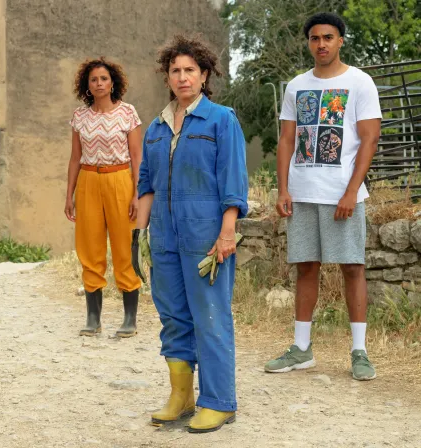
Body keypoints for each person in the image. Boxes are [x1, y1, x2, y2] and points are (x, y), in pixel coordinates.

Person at [135, 35, 248, 433]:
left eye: (190, 70)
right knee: (173, 317)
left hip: (206, 238)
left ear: (204, 76)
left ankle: (219, 402)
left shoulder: (221, 120)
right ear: (167, 77)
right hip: (164, 239)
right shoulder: (156, 127)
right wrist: (139, 237)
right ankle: (181, 397)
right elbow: (146, 184)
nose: (182, 77)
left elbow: (233, 181)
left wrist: (227, 232)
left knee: (210, 317)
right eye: (175, 71)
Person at [265, 12, 382, 381]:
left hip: (342, 194)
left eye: (328, 37)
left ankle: (359, 352)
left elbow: (370, 139)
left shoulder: (359, 82)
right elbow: (287, 140)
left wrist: (351, 191)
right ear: (309, 42)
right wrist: (283, 188)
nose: (321, 44)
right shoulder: (296, 86)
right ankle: (301, 349)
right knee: (305, 267)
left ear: (340, 41)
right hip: (302, 192)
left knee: (352, 267)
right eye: (315, 38)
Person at [65, 57, 143, 338]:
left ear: (113, 83)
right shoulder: (80, 117)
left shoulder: (127, 113)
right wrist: (69, 194)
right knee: (90, 247)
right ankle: (93, 318)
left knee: (124, 246)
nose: (99, 83)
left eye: (104, 79)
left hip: (120, 179)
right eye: (94, 80)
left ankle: (130, 318)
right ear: (87, 85)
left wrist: (137, 193)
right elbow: (75, 158)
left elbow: (137, 157)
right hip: (88, 181)